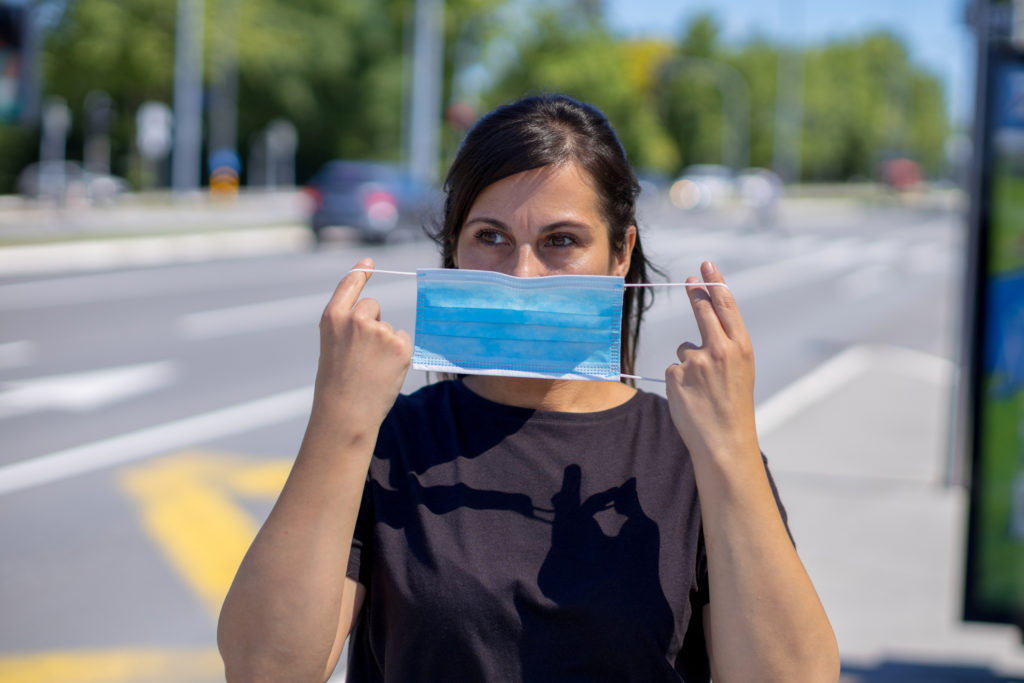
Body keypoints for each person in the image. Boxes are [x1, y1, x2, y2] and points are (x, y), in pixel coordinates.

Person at [217, 94, 840, 682]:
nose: (522, 274)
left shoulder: (693, 453)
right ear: (453, 251)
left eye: (560, 241)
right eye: (491, 238)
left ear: (620, 253)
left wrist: (729, 450)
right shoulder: (387, 444)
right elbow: (265, 669)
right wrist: (338, 420)